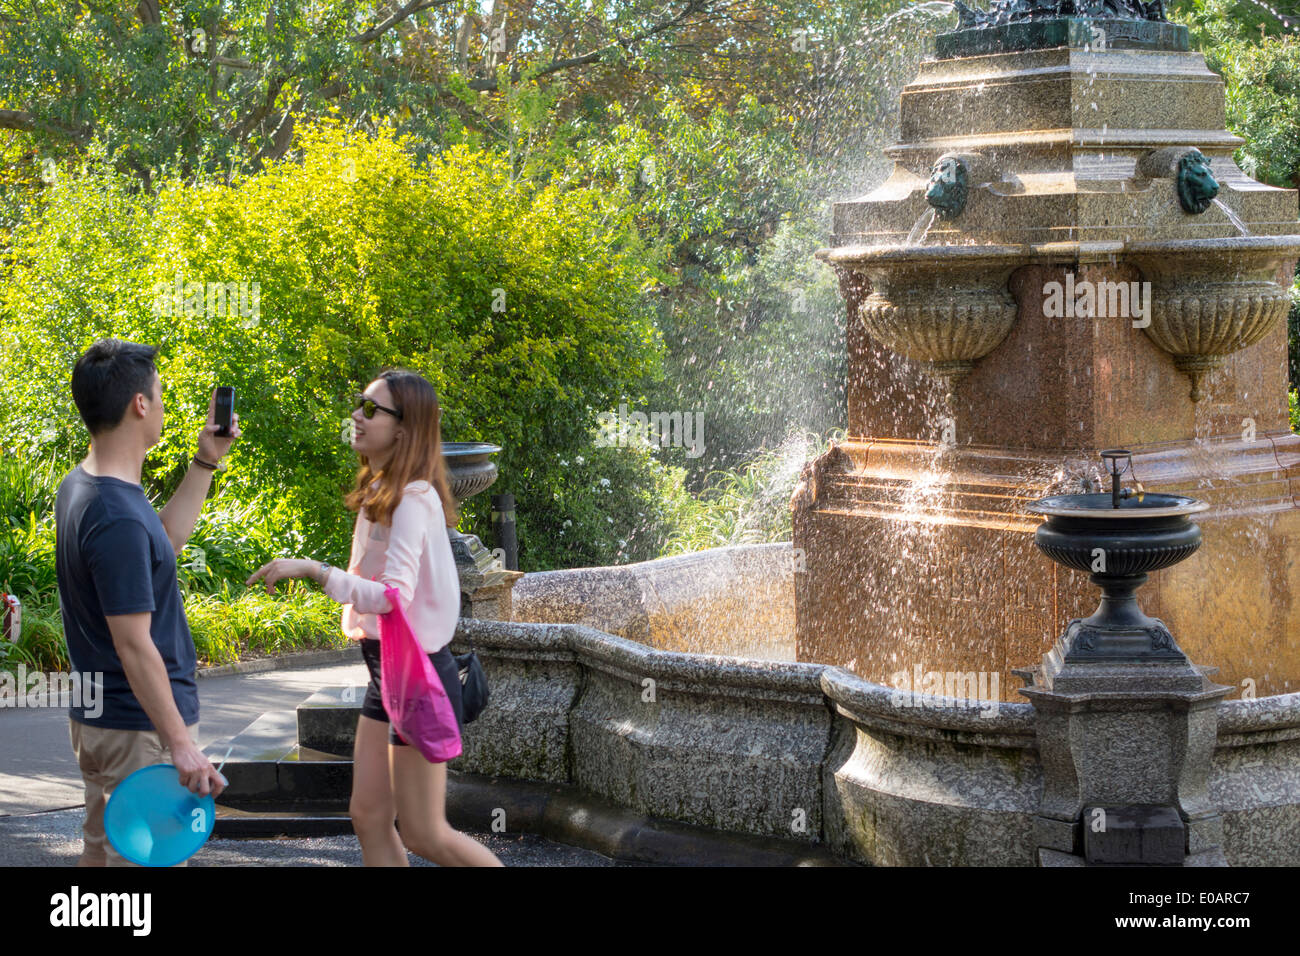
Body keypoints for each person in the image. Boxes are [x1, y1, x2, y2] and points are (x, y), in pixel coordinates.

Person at [247, 369, 501, 867]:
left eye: (371, 409)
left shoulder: (413, 498)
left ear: (404, 428)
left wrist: (314, 571)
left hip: (418, 675)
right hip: (385, 672)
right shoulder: (384, 489)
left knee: (426, 834)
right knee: (367, 815)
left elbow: (392, 597)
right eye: (359, 404)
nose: (356, 417)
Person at [56, 339, 234, 867]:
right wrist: (179, 742)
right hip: (140, 728)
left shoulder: (87, 487)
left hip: (107, 720)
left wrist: (205, 462)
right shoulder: (116, 515)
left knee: (104, 854)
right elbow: (133, 644)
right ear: (139, 404)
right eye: (158, 396)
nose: (161, 406)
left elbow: (161, 543)